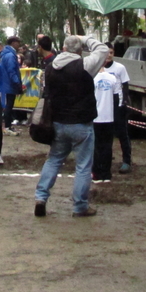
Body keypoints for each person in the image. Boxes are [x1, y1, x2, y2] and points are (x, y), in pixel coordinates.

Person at [34, 35, 108, 218]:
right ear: (80, 50)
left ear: (64, 48)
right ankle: (80, 206)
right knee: (83, 166)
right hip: (81, 123)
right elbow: (103, 49)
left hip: (58, 123)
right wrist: (85, 38)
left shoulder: (51, 67)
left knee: (53, 160)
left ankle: (40, 198)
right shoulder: (84, 65)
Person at [105, 43, 132, 174]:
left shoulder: (119, 68)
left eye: (111, 52)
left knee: (122, 134)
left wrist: (125, 102)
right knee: (105, 135)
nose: (109, 55)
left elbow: (125, 86)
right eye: (106, 52)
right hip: (104, 107)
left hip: (118, 106)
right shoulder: (98, 68)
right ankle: (106, 160)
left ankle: (127, 161)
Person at [92, 61, 118, 182]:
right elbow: (117, 99)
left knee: (96, 146)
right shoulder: (113, 78)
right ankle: (106, 174)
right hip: (109, 117)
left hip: (96, 117)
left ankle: (96, 173)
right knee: (107, 146)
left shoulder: (92, 78)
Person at [0, 36, 24, 135]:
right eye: (18, 42)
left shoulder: (5, 54)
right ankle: (7, 127)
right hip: (9, 85)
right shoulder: (10, 55)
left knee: (8, 106)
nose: (19, 45)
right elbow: (12, 71)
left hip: (5, 84)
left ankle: (8, 126)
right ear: (13, 43)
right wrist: (17, 83)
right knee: (9, 106)